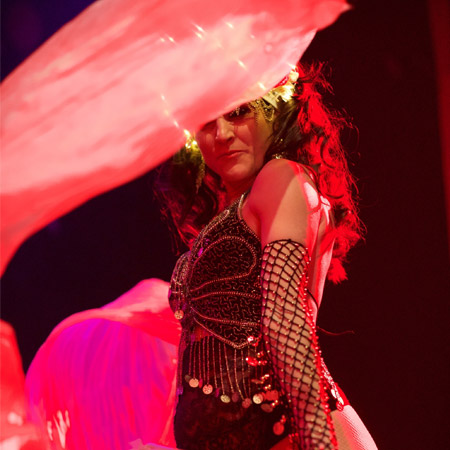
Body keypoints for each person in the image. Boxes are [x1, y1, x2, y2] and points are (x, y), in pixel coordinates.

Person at [155, 62, 378, 450]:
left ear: (274, 110)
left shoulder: (281, 176)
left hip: (292, 428)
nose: (222, 134)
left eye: (239, 112)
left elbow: (285, 319)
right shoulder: (236, 210)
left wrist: (317, 441)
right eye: (206, 123)